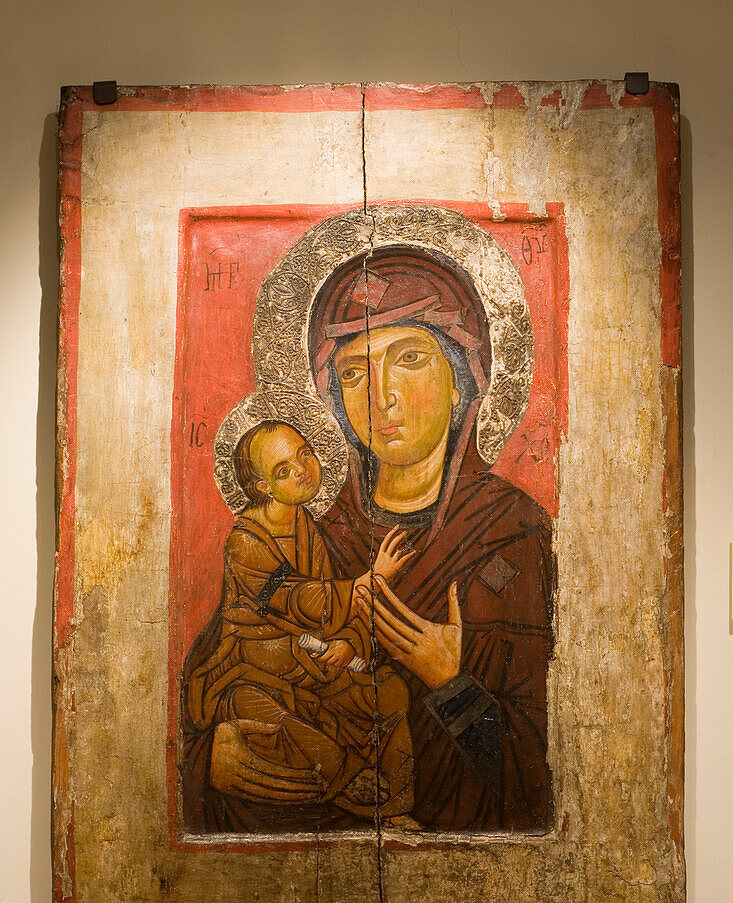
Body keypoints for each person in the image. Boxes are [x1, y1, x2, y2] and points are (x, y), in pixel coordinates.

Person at [202, 246, 555, 834]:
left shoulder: (508, 536)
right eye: (355, 372)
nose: (380, 396)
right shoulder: (311, 535)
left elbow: (547, 773)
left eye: (410, 358)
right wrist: (216, 758)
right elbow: (222, 673)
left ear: (460, 383)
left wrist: (451, 683)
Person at [181, 419, 416, 832]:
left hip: (307, 660)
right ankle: (347, 780)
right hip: (252, 666)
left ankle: (394, 805)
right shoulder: (247, 540)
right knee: (272, 716)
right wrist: (370, 582)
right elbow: (293, 597)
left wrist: (345, 640)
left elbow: (324, 601)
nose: (302, 470)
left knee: (391, 690)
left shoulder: (305, 524)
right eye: (283, 470)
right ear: (263, 487)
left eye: (304, 454)